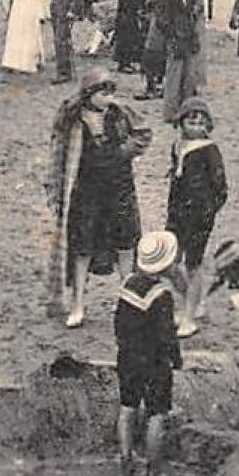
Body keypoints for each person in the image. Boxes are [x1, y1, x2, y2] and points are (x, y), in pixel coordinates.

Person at [45, 69, 152, 327]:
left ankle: (129, 303)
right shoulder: (73, 119)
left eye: (110, 92)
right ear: (89, 94)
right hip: (87, 189)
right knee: (82, 248)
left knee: (126, 245)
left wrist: (124, 150)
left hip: (120, 187)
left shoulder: (120, 113)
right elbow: (58, 156)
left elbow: (144, 134)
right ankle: (78, 304)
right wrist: (55, 189)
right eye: (103, 93)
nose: (108, 98)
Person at [113, 230, 182, 474]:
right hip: (154, 361)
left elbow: (118, 324)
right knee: (156, 413)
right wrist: (176, 358)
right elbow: (167, 334)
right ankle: (153, 467)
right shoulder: (161, 295)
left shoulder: (127, 286)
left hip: (128, 357)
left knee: (127, 407)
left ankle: (125, 459)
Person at [164, 97, 226, 338]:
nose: (196, 127)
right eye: (191, 121)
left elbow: (221, 186)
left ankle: (189, 316)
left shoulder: (209, 150)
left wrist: (209, 209)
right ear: (181, 123)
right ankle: (192, 297)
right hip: (177, 213)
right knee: (169, 262)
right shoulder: (177, 147)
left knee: (193, 263)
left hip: (199, 215)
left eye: (201, 123)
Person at [157, 0, 208, 124]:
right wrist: (174, 34)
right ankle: (170, 113)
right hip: (176, 41)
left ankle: (185, 109)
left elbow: (193, 17)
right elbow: (161, 20)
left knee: (188, 78)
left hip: (188, 40)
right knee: (173, 78)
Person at [47, 0, 86, 84]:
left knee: (61, 40)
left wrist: (73, 10)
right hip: (57, 9)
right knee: (59, 40)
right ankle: (62, 70)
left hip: (66, 11)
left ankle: (64, 73)